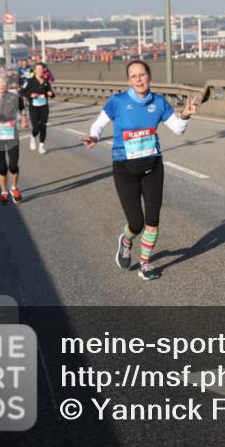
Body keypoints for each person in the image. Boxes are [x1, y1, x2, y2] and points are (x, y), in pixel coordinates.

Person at [80, 60, 197, 281]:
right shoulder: (118, 102)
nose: (138, 79)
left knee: (152, 219)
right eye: (133, 76)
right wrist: (94, 136)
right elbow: (99, 124)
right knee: (137, 223)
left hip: (153, 165)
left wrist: (185, 115)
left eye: (142, 75)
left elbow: (178, 130)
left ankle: (145, 263)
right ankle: (126, 240)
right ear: (128, 81)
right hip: (124, 167)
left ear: (149, 76)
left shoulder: (159, 102)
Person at [0, 74, 27, 205]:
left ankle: (14, 188)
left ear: (7, 85)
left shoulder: (14, 97)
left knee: (13, 165)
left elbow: (22, 108)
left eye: (4, 83)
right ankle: (4, 192)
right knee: (2, 167)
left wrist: (24, 118)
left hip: (12, 135)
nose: (1, 85)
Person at [22, 62, 55, 154]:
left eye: (41, 69)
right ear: (35, 70)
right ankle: (33, 137)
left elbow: (50, 92)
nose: (40, 71)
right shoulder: (29, 81)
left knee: (43, 126)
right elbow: (22, 92)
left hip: (44, 107)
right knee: (36, 128)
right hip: (34, 107)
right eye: (38, 69)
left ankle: (41, 146)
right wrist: (30, 95)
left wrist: (51, 94)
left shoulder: (45, 82)